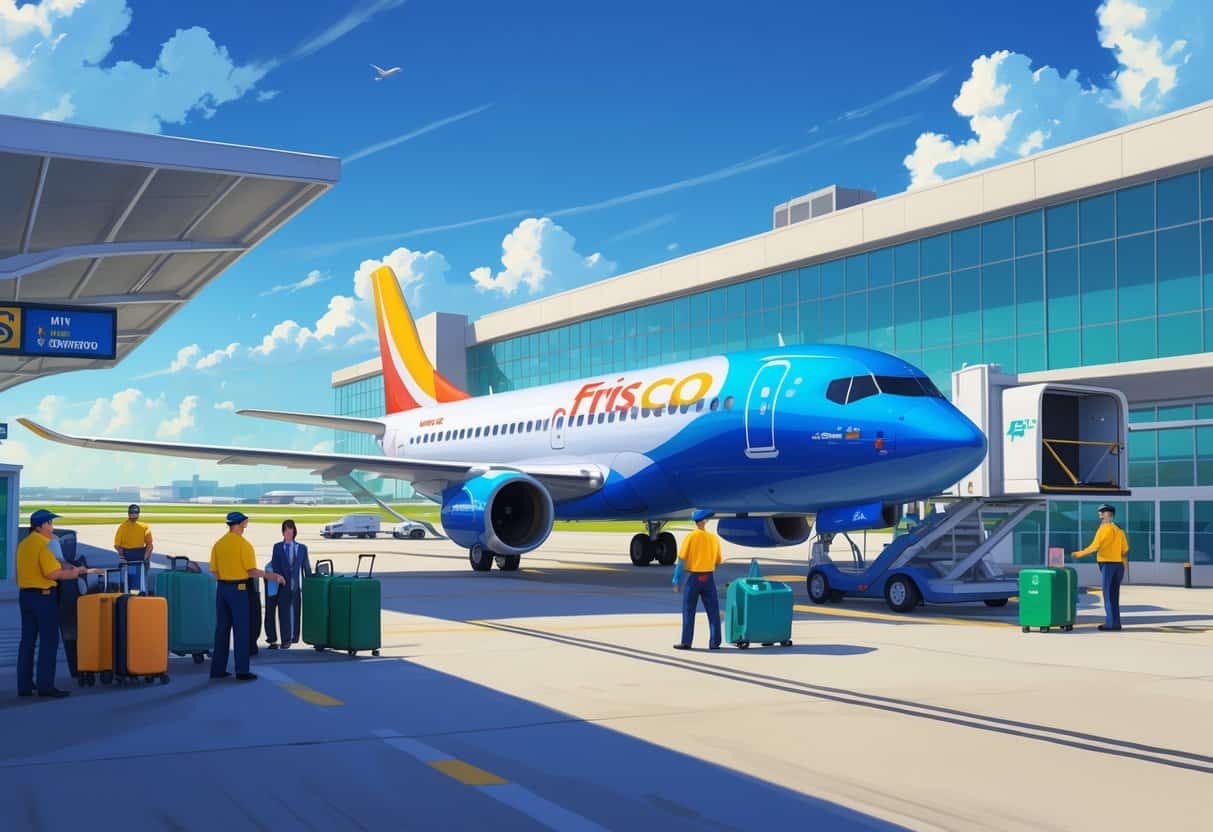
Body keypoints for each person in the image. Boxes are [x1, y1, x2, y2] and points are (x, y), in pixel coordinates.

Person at [16, 510, 98, 698]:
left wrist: (68, 565)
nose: (52, 527)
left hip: (26, 596)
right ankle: (45, 686)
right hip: (44, 597)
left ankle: (24, 685)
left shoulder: (24, 544)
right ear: (40, 526)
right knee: (49, 641)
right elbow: (52, 573)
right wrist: (75, 573)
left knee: (27, 641)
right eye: (49, 523)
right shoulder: (44, 544)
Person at [209, 511, 283, 681]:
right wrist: (272, 576)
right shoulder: (244, 545)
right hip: (239, 589)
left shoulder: (218, 545)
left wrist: (226, 579)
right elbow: (251, 571)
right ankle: (242, 670)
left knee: (222, 630)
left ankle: (218, 669)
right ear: (241, 524)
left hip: (222, 589)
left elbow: (214, 571)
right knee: (241, 630)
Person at [1072, 503, 1130, 631]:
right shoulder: (1119, 530)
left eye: (1103, 513)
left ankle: (1110, 624)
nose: (1100, 516)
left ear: (1110, 515)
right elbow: (1125, 549)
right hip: (1119, 566)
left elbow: (1095, 546)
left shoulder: (1103, 529)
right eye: (1100, 514)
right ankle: (1116, 623)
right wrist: (1123, 565)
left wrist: (1080, 554)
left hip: (1108, 565)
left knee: (1107, 595)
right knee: (1114, 595)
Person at [672, 510, 723, 650]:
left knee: (689, 610)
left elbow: (682, 560)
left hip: (694, 578)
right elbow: (718, 560)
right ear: (704, 521)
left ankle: (686, 642)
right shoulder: (713, 539)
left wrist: (676, 580)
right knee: (713, 611)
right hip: (709, 578)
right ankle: (715, 643)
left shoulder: (691, 537)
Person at [268, 519, 311, 650]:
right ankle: (286, 640)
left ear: (294, 532)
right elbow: (275, 565)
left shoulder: (302, 548)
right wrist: (280, 578)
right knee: (284, 613)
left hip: (296, 586)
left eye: (290, 530)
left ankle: (294, 637)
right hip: (282, 585)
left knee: (295, 612)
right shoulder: (277, 547)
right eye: (286, 530)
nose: (288, 533)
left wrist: (310, 583)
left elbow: (306, 568)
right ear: (283, 532)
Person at [114, 504, 153, 593]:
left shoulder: (143, 526)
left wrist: (145, 558)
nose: (133, 515)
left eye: (135, 513)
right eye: (132, 513)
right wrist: (123, 557)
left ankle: (137, 593)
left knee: (135, 579)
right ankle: (135, 594)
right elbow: (117, 546)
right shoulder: (123, 527)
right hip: (131, 558)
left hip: (136, 557)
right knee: (134, 580)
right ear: (128, 514)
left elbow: (150, 545)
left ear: (138, 514)